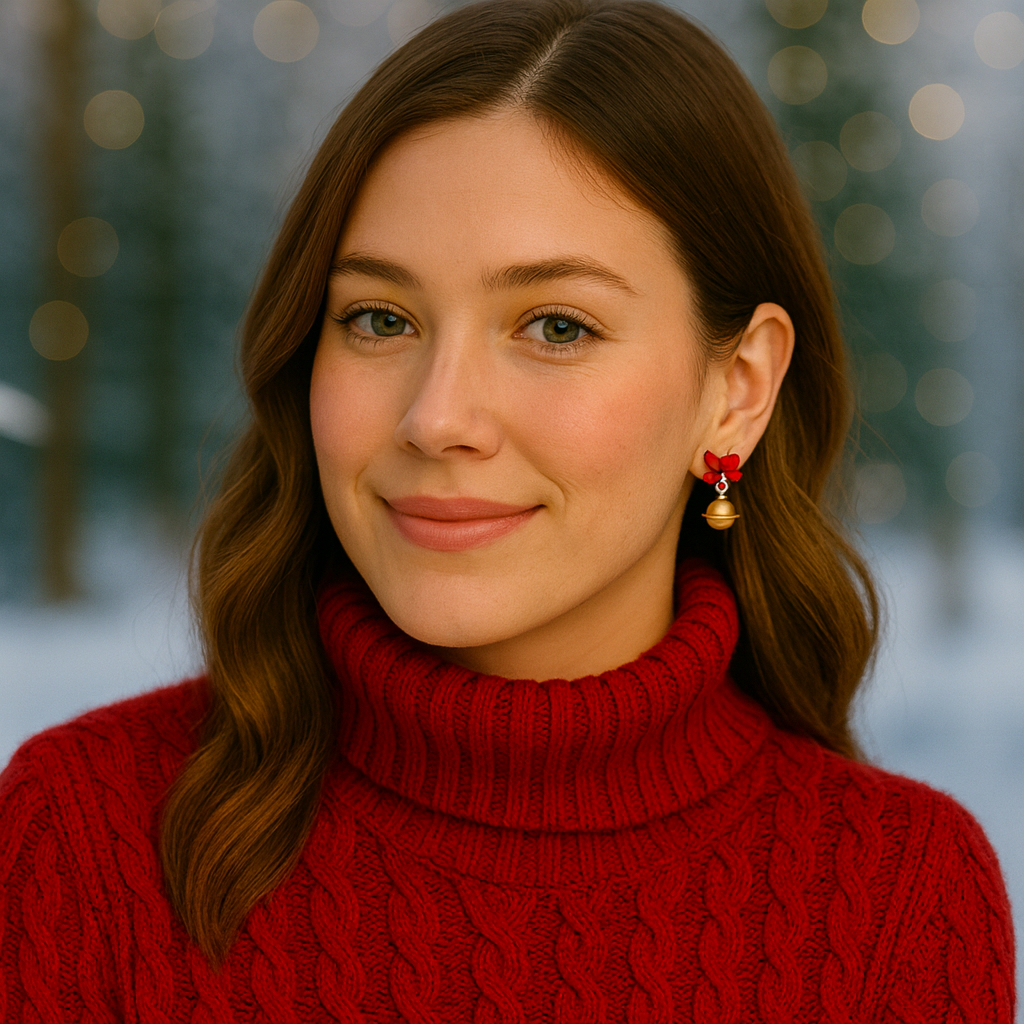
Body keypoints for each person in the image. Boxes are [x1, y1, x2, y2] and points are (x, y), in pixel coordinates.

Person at [0, 0, 1015, 1018]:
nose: (438, 417)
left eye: (556, 325)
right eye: (379, 318)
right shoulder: (80, 841)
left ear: (737, 389)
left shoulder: (900, 900)